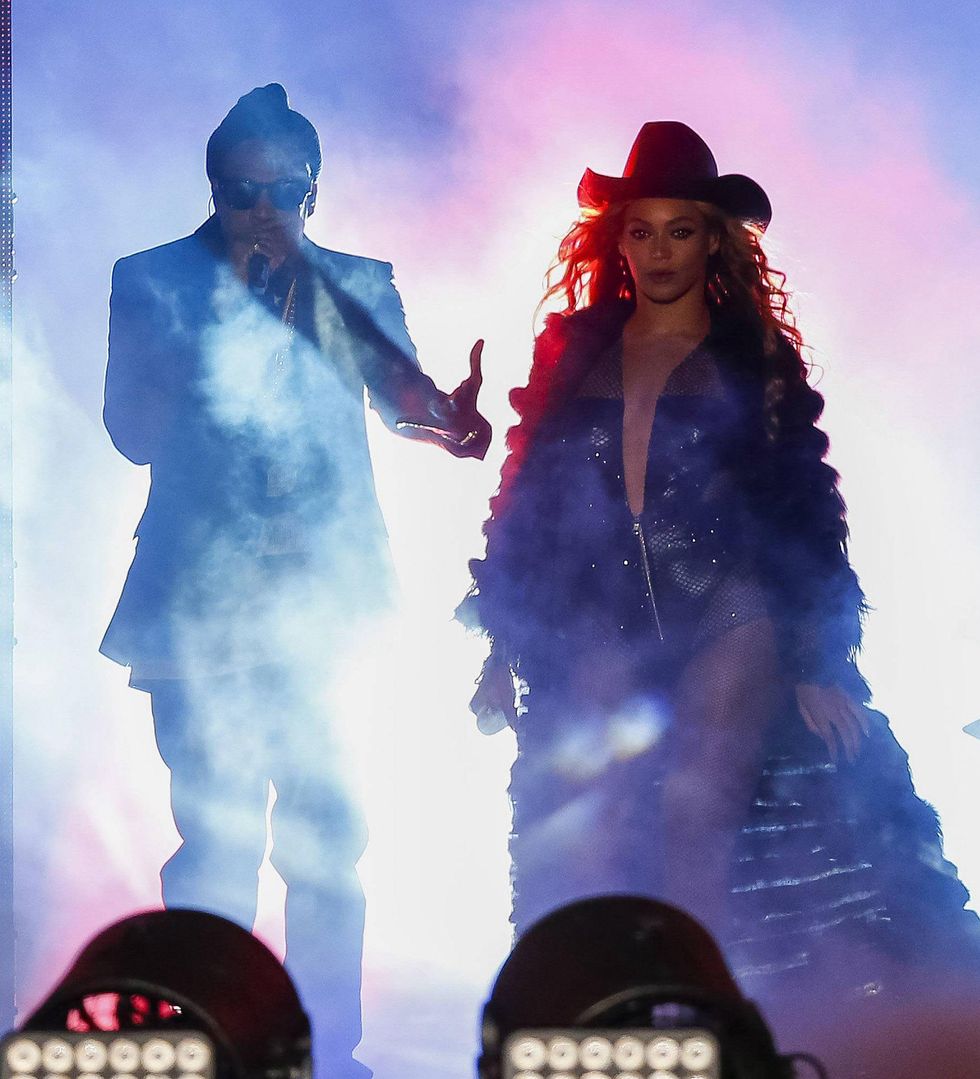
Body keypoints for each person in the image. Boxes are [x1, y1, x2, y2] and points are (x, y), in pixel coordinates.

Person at [461, 122, 979, 1035]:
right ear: (616, 240)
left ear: (715, 241)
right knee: (597, 807)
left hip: (729, 601)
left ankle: (690, 1019)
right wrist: (504, 638)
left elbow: (803, 504)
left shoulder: (753, 356)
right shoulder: (571, 351)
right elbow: (526, 495)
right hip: (605, 607)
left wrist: (817, 655)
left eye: (681, 229)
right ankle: (601, 1019)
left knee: (702, 805)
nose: (659, 249)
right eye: (642, 229)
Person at [100, 85, 489, 1079]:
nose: (267, 209)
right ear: (214, 187)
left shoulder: (353, 280)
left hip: (323, 611)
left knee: (325, 843)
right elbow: (131, 433)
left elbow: (400, 397)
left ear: (315, 188)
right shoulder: (152, 281)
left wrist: (447, 420)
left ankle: (326, 1050)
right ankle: (211, 1039)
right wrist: (209, 316)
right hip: (199, 612)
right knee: (214, 846)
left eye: (287, 189)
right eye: (244, 190)